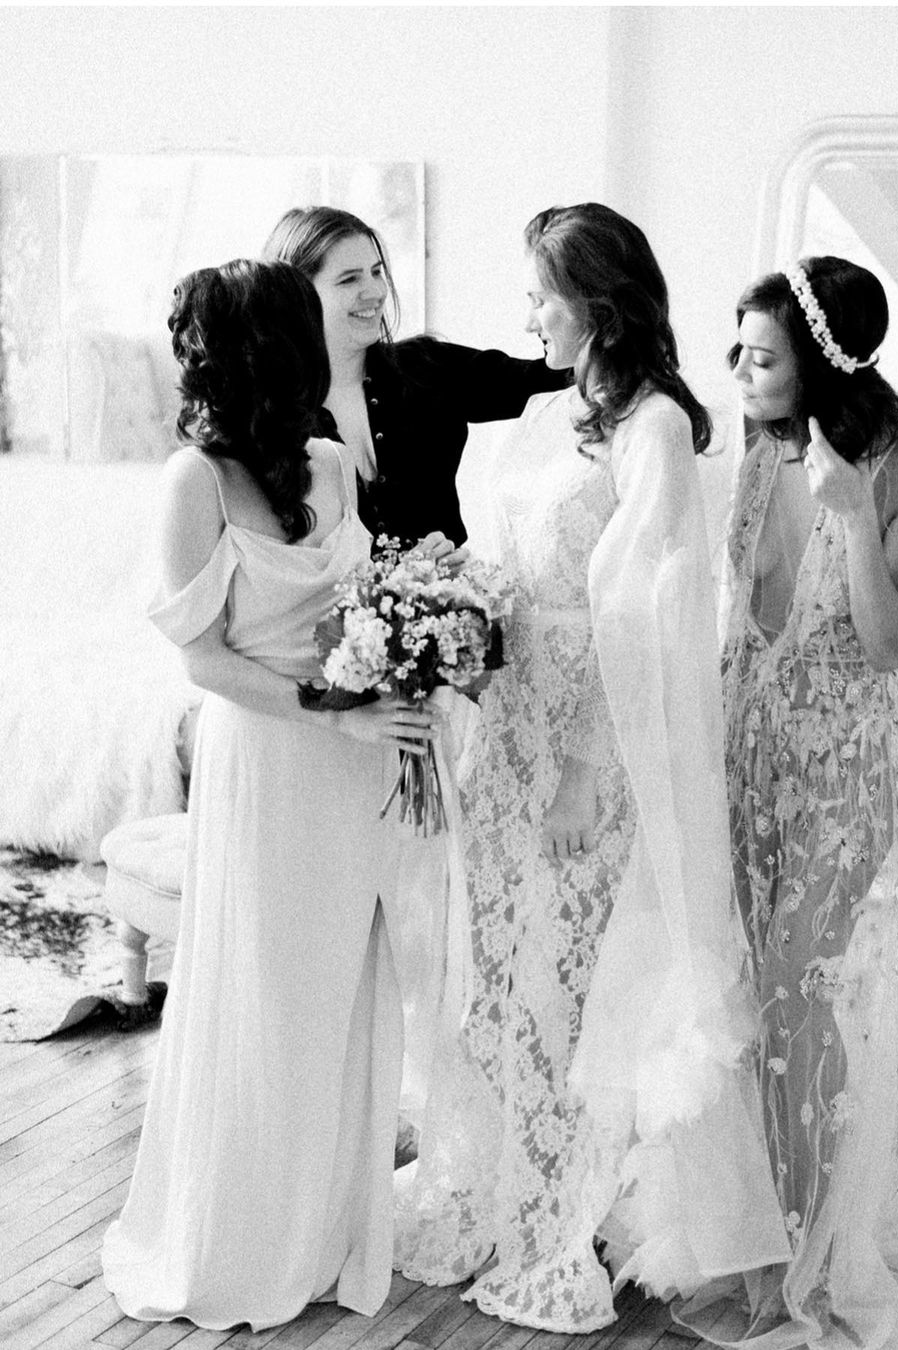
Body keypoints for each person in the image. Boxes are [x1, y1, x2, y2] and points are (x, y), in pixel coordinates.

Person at [394, 203, 789, 1333]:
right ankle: (495, 1193)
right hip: (509, 727)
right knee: (497, 977)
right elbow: (512, 563)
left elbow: (646, 620)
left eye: (541, 297)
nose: (528, 316)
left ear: (598, 305)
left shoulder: (656, 427)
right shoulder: (553, 407)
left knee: (567, 989)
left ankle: (557, 1223)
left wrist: (578, 768)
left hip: (590, 746)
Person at [101, 259, 434, 1330]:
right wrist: (333, 712)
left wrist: (402, 677)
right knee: (261, 995)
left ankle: (328, 1233)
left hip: (352, 768)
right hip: (269, 762)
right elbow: (202, 661)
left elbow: (358, 610)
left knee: (341, 995)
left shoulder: (332, 464)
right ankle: (242, 1241)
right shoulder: (192, 481)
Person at [694, 255, 898, 1348]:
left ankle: (819, 1251)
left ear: (821, 365)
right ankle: (766, 1235)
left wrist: (854, 514)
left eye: (762, 357)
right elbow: (739, 614)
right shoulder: (760, 448)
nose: (739, 371)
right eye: (738, 350)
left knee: (797, 985)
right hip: (749, 757)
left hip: (848, 769)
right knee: (751, 993)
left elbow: (892, 641)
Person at [263, 206, 566, 548]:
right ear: (296, 294)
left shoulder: (428, 366)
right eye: (349, 279)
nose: (376, 291)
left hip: (453, 582)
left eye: (376, 272)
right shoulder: (268, 412)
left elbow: (551, 380)